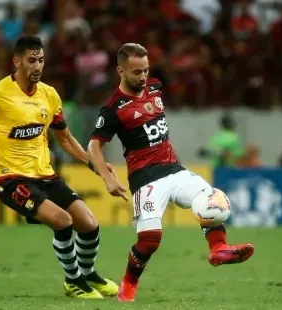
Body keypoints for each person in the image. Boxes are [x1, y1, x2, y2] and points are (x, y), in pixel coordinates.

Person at [87, 43, 255, 303]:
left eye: (145, 70)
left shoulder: (154, 87)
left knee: (210, 199)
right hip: (146, 178)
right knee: (150, 240)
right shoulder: (114, 108)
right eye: (136, 72)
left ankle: (218, 249)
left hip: (174, 169)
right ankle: (128, 285)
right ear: (120, 70)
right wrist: (107, 177)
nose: (142, 77)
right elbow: (94, 145)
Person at [0, 36, 119, 299]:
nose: (37, 66)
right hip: (11, 180)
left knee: (89, 224)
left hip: (46, 176)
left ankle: (88, 274)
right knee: (63, 221)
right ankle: (73, 281)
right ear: (17, 61)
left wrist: (96, 167)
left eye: (41, 60)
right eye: (31, 60)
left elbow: (65, 139)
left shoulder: (49, 95)